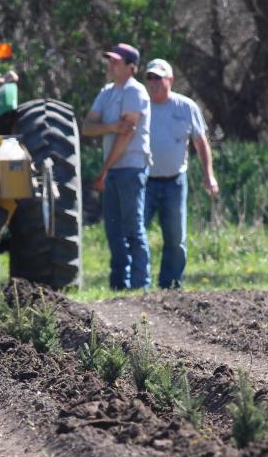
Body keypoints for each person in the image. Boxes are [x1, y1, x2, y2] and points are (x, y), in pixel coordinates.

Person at [142, 58, 218, 289]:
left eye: (159, 78)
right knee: (137, 235)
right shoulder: (140, 106)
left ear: (170, 80)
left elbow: (200, 143)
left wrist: (209, 175)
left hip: (175, 181)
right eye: (150, 78)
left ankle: (171, 284)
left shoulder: (186, 107)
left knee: (176, 238)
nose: (154, 82)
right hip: (143, 180)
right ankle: (138, 285)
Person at [82, 43, 152, 291]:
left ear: (131, 68)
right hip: (113, 170)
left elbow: (126, 137)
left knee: (133, 228)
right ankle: (119, 285)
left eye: (116, 62)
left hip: (131, 168)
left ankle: (140, 285)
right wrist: (111, 127)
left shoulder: (135, 92)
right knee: (113, 230)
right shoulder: (106, 92)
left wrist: (103, 170)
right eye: (110, 60)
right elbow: (87, 127)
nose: (110, 65)